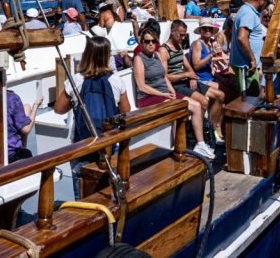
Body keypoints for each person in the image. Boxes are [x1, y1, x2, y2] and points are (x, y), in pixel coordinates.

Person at [52, 36, 130, 199]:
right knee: (107, 191)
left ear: (87, 54)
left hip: (82, 143)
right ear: (107, 55)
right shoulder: (116, 80)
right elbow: (126, 111)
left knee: (82, 193)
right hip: (108, 144)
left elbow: (58, 109)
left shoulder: (76, 80)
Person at [132, 22, 215, 159]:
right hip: (148, 96)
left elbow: (164, 77)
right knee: (178, 108)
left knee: (196, 105)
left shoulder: (157, 56)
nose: (151, 44)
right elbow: (141, 86)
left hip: (164, 93)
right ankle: (178, 147)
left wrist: (171, 92)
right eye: (147, 41)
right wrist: (163, 94)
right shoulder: (139, 59)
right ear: (142, 43)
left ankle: (200, 144)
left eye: (153, 41)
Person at [164, 20, 225, 141]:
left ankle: (211, 129)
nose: (183, 38)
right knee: (204, 101)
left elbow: (190, 68)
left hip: (187, 81)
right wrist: (188, 74)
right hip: (175, 86)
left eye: (184, 35)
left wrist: (191, 76)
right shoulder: (164, 50)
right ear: (172, 32)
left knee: (221, 95)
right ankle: (203, 135)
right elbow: (165, 76)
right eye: (180, 35)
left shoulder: (178, 47)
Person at [230, 0, 269, 96]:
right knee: (247, 100)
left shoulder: (246, 10)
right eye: (266, 3)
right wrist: (252, 59)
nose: (265, 6)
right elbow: (242, 37)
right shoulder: (248, 13)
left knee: (252, 97)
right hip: (245, 65)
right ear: (261, 1)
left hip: (247, 65)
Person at [6, 90, 41, 163]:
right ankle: (23, 148)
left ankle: (23, 148)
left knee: (26, 107)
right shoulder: (11, 98)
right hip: (11, 155)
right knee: (26, 153)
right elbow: (26, 129)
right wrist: (35, 106)